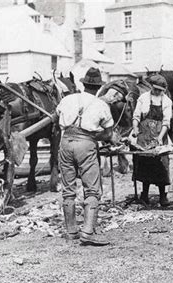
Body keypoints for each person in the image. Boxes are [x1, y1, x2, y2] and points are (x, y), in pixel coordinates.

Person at [56, 67, 119, 246]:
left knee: (68, 189)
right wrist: (92, 136)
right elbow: (108, 134)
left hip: (66, 142)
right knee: (92, 188)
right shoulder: (101, 105)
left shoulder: (67, 99)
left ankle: (71, 231)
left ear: (83, 84)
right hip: (86, 145)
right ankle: (88, 232)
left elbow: (56, 119)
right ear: (99, 88)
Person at [132, 74, 173, 206]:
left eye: (160, 90)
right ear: (151, 87)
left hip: (160, 134)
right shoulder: (143, 98)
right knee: (145, 164)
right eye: (155, 89)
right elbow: (136, 116)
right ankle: (144, 195)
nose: (157, 92)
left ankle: (163, 196)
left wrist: (160, 138)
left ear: (163, 90)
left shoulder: (167, 101)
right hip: (144, 136)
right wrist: (135, 128)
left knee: (162, 164)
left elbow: (166, 122)